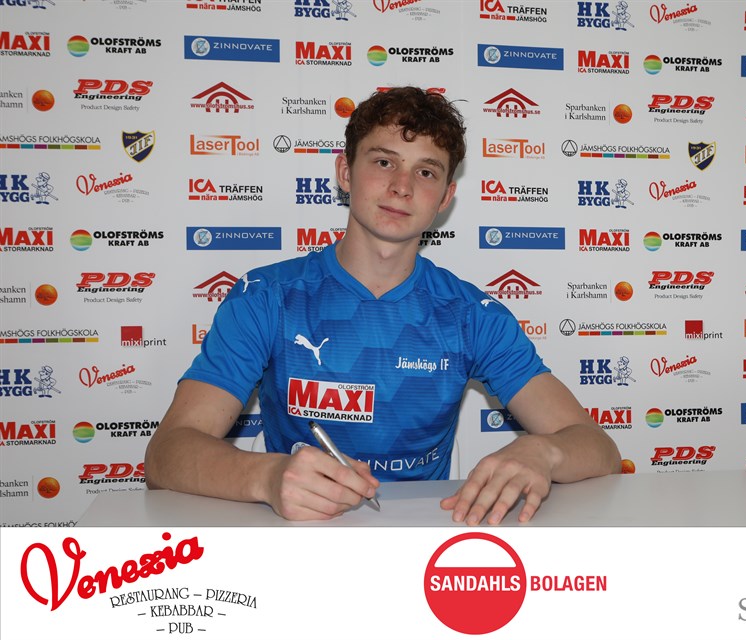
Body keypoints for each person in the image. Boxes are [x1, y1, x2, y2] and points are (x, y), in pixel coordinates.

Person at [145, 87, 621, 525]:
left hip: (426, 539)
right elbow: (167, 453)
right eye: (384, 162)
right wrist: (266, 477)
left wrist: (543, 453)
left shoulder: (472, 316)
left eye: (426, 171)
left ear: (445, 197)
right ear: (345, 172)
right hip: (301, 535)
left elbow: (598, 448)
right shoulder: (267, 296)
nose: (402, 186)